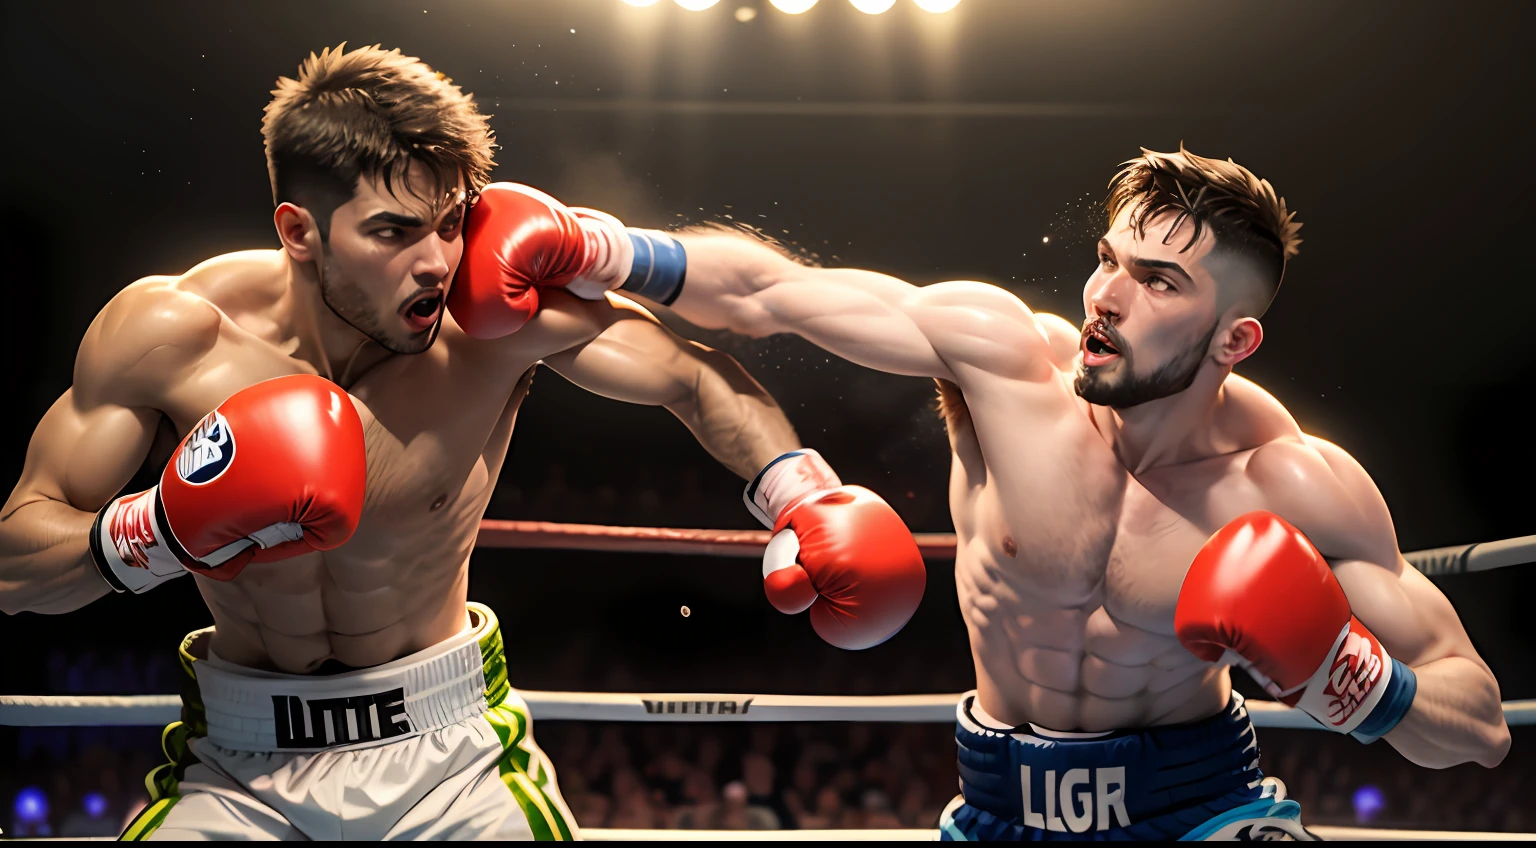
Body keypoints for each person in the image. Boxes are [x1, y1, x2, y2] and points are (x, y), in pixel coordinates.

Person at [0, 43, 926, 840]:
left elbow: (693, 375)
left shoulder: (493, 327)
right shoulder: (168, 337)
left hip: (452, 759)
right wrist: (156, 530)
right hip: (239, 760)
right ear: (299, 232)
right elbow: (14, 568)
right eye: (394, 233)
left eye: (450, 223)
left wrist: (800, 493)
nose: (439, 262)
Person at [567, 145, 1512, 839]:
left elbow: (1475, 728)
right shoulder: (1005, 366)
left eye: (1158, 281)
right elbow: (769, 293)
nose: (1107, 294)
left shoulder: (1290, 482)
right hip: (993, 808)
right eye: (1109, 259)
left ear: (1234, 340)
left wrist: (1355, 679)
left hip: (1197, 810)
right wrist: (604, 249)